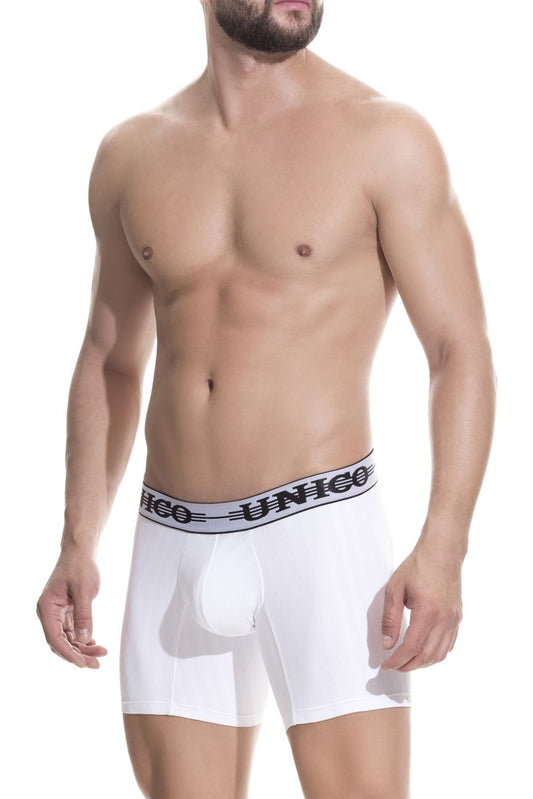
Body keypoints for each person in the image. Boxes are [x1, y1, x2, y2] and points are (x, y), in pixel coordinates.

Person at [35, 1, 496, 797]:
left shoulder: (384, 138)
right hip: (171, 538)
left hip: (322, 534)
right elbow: (110, 360)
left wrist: (444, 547)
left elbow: (458, 349)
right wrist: (77, 539)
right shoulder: (132, 153)